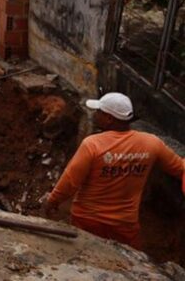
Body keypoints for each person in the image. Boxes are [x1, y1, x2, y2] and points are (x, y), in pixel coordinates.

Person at [42, 92, 183, 248]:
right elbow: (180, 168)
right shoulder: (151, 143)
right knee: (129, 259)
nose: (95, 114)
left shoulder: (92, 145)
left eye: (99, 111)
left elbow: (70, 181)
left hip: (88, 220)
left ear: (109, 118)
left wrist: (52, 201)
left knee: (86, 254)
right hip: (124, 224)